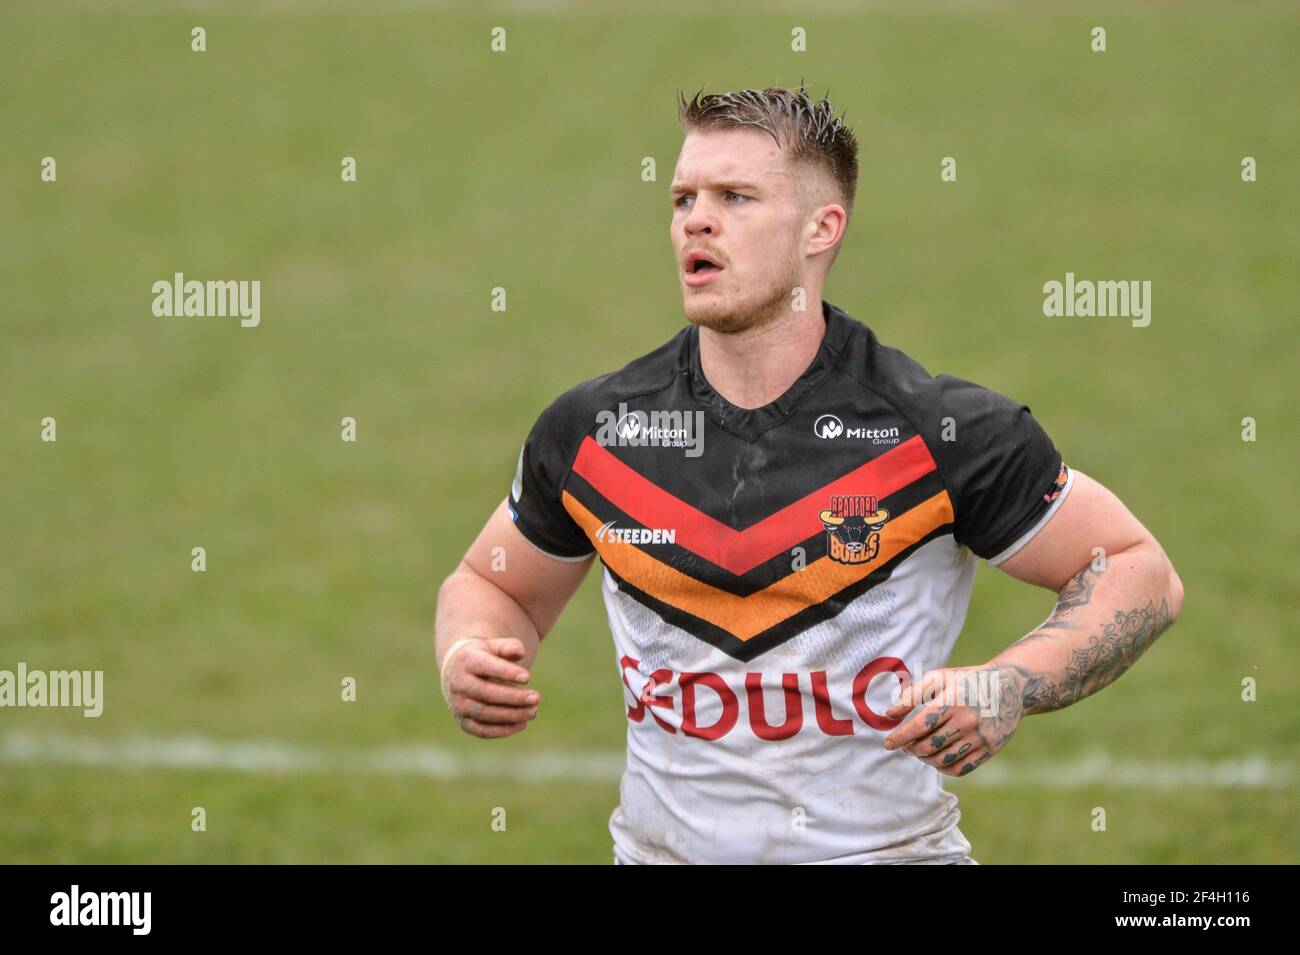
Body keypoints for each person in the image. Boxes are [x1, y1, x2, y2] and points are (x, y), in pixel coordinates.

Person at [434, 85, 1183, 864]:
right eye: (683, 196)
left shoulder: (940, 432)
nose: (696, 218)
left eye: (736, 197)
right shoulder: (596, 433)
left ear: (822, 228)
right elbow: (495, 584)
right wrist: (470, 651)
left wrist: (1009, 684)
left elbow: (1140, 572)